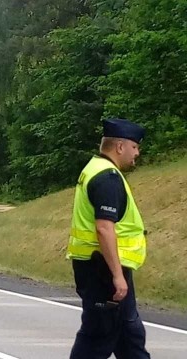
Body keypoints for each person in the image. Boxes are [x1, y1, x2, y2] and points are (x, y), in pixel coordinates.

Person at [66, 118, 150, 358]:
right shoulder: (108, 178)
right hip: (104, 269)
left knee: (129, 336)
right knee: (98, 337)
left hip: (98, 267)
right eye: (135, 147)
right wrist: (117, 275)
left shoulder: (94, 169)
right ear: (120, 147)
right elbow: (104, 228)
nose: (137, 153)